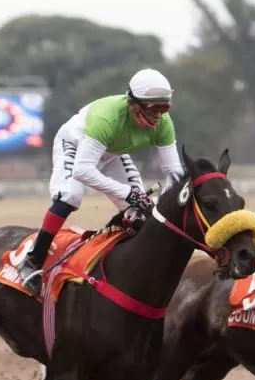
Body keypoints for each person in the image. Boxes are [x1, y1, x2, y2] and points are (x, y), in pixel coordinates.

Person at [16, 68, 185, 296]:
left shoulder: (163, 124)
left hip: (112, 152)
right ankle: (33, 260)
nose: (160, 115)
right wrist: (127, 193)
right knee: (70, 196)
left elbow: (174, 173)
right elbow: (83, 171)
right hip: (76, 147)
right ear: (134, 104)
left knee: (141, 214)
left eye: (165, 108)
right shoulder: (107, 117)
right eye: (155, 108)